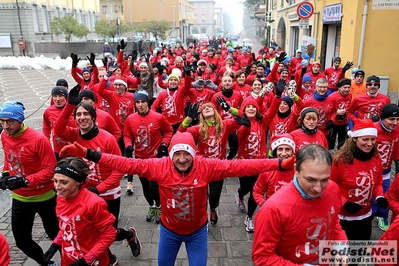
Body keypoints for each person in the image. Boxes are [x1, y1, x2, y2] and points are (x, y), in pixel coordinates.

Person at [59, 131, 295, 266]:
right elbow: (126, 163)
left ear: (194, 154)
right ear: (171, 154)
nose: (182, 158)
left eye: (187, 153)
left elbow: (239, 167)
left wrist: (278, 163)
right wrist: (90, 153)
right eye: (177, 153)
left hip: (197, 233)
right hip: (169, 231)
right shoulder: (159, 167)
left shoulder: (207, 166)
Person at [252, 144, 348, 265]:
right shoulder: (273, 209)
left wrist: (341, 247)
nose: (318, 188)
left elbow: (333, 222)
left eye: (324, 180)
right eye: (310, 180)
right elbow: (262, 257)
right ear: (296, 170)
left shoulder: (333, 189)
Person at [0, 100, 58, 265]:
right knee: (21, 241)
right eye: (2, 121)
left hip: (45, 197)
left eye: (10, 121)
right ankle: (46, 263)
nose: (5, 126)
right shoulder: (4, 136)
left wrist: (25, 181)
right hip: (20, 199)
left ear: (20, 120)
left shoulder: (38, 139)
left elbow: (50, 169)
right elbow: (9, 157)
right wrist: (5, 174)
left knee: (57, 237)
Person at [179, 102, 245, 225]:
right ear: (202, 115)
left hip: (218, 167)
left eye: (210, 107)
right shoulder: (198, 129)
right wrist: (188, 119)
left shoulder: (225, 125)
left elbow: (245, 116)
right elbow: (180, 134)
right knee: (201, 195)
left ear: (215, 111)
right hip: (202, 167)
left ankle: (213, 208)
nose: (207, 108)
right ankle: (203, 216)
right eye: (204, 109)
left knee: (214, 195)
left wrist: (230, 109)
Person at [236, 82, 283, 232]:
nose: (251, 108)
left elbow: (273, 110)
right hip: (244, 164)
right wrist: (245, 126)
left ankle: (249, 217)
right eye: (248, 107)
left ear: (257, 110)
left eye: (253, 107)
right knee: (244, 188)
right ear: (244, 110)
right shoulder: (241, 124)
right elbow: (240, 136)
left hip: (260, 163)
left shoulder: (263, 122)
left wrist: (277, 96)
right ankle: (239, 195)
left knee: (256, 190)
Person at [330, 119, 387, 242]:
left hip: (365, 216)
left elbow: (377, 182)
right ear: (354, 139)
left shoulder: (376, 158)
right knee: (340, 255)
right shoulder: (340, 161)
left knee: (358, 252)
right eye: (365, 139)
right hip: (342, 217)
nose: (369, 143)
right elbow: (329, 186)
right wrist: (344, 202)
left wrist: (379, 197)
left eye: (372, 139)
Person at [124, 90, 173, 221]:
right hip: (140, 158)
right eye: (138, 102)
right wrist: (128, 145)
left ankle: (160, 207)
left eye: (143, 102)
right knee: (145, 186)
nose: (140, 105)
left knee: (154, 186)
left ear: (148, 103)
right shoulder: (130, 119)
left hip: (155, 159)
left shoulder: (158, 117)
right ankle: (152, 205)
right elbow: (127, 135)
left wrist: (164, 144)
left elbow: (168, 130)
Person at [373, 103, 399, 231]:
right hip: (371, 172)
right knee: (370, 198)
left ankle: (383, 217)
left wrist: (397, 160)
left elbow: (396, 147)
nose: (395, 123)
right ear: (382, 118)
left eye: (398, 119)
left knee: (386, 196)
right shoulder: (373, 130)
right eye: (391, 119)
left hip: (386, 172)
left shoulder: (397, 130)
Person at [253, 133, 296, 207]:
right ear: (275, 152)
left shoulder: (300, 171)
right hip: (272, 213)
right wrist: (264, 205)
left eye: (288, 149)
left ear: (293, 152)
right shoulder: (268, 170)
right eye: (280, 149)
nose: (283, 153)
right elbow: (257, 191)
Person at [43, 86, 75, 160]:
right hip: (57, 148)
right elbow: (46, 126)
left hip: (72, 147)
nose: (57, 99)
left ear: (66, 97)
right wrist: (46, 141)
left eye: (60, 96)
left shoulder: (73, 109)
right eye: (55, 96)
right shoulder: (48, 111)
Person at [327, 78, 352, 150]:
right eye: (345, 87)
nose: (347, 89)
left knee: (342, 143)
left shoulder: (350, 95)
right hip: (334, 123)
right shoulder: (332, 97)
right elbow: (328, 111)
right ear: (339, 88)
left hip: (344, 123)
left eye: (348, 87)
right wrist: (336, 112)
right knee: (331, 143)